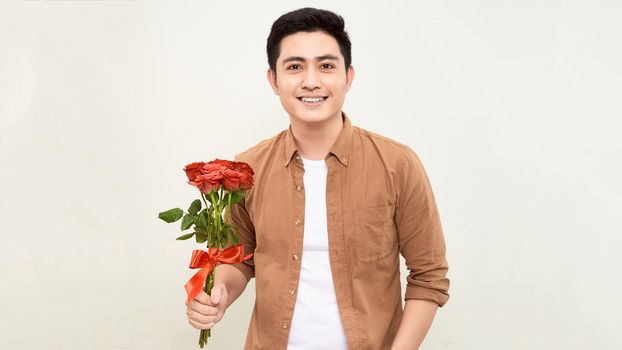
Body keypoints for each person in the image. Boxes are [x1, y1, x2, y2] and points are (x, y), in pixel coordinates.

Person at [185, 7, 450, 350]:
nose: (311, 81)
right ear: (273, 80)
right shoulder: (247, 169)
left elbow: (429, 277)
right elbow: (239, 260)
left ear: (348, 76)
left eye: (326, 66)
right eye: (294, 66)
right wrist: (218, 295)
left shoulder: (397, 165)